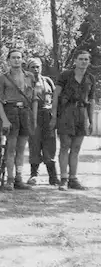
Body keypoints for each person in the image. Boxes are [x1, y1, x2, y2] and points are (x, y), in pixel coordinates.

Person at [50, 50, 96, 190]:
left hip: (82, 112)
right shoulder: (65, 75)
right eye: (81, 59)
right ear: (75, 61)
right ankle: (63, 178)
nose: (83, 62)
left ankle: (73, 178)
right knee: (65, 146)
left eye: (86, 59)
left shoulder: (90, 78)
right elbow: (56, 95)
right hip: (66, 112)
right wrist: (53, 115)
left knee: (76, 148)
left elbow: (92, 99)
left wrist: (90, 119)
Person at [0, 49, 38, 191]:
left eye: (19, 57)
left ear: (22, 59)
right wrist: (4, 120)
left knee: (21, 148)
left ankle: (19, 178)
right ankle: (10, 180)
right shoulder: (3, 78)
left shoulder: (30, 76)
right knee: (11, 149)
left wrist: (34, 118)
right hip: (10, 112)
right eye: (13, 58)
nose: (16, 60)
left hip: (25, 112)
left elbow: (34, 99)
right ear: (8, 60)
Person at [26, 58, 59, 186]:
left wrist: (55, 117)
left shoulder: (48, 81)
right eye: (32, 67)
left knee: (50, 144)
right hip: (32, 116)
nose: (35, 69)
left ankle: (53, 177)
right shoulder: (25, 82)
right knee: (34, 144)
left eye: (37, 67)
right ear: (28, 69)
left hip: (48, 115)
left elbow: (55, 98)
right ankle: (34, 175)